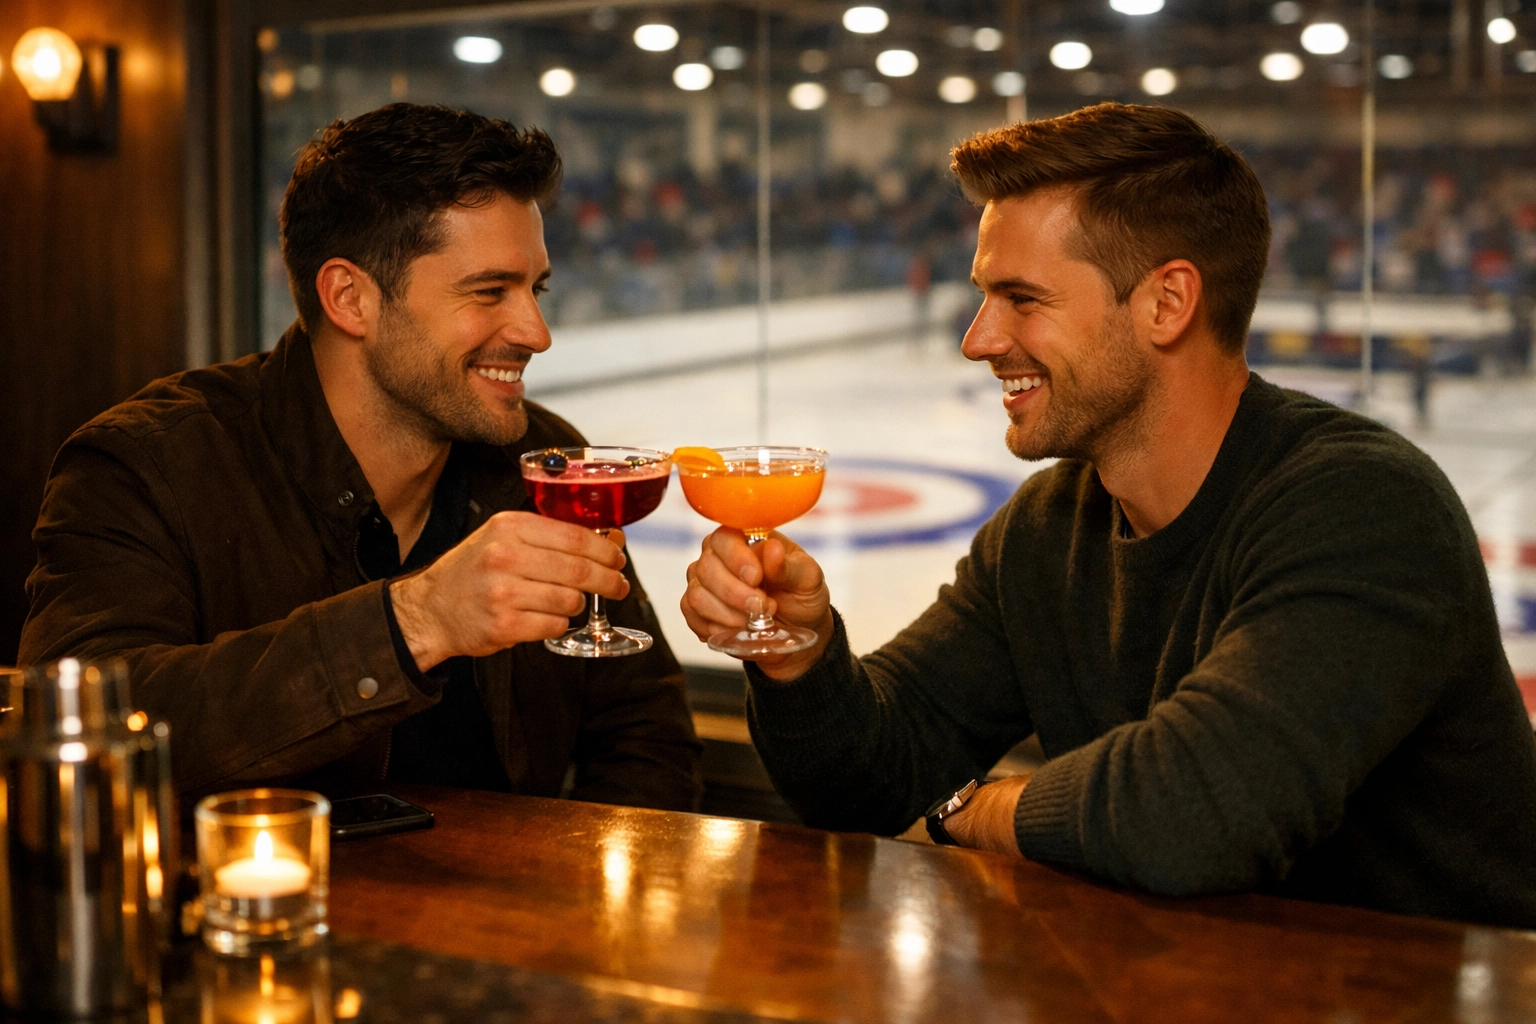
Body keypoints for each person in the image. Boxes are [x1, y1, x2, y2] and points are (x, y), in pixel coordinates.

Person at [680, 103, 1536, 928]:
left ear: (1167, 303)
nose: (978, 340)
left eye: (1022, 299)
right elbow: (874, 774)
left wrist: (970, 814)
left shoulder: (1363, 506)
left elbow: (1200, 812)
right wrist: (800, 658)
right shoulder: (1050, 526)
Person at [22, 103, 701, 809]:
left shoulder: (539, 459)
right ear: (350, 299)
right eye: (489, 291)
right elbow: (82, 732)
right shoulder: (145, 464)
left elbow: (646, 738)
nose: (536, 331)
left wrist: (571, 872)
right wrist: (417, 621)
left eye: (535, 290)